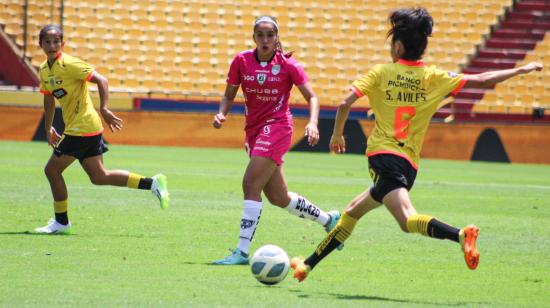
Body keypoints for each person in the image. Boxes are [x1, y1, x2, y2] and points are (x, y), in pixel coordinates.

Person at [291, 7, 544, 281]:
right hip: (408, 164)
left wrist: (337, 135)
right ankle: (306, 265)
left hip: (383, 157)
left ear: (397, 46)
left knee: (408, 221)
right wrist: (522, 69)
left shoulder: (381, 72)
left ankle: (460, 235)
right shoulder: (433, 77)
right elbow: (482, 80)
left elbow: (344, 104)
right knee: (352, 212)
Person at [211, 16, 341, 265]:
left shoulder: (289, 64)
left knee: (250, 184)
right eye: (260, 34)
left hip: (278, 127)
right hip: (254, 131)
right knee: (279, 197)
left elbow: (312, 96)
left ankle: (241, 251)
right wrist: (221, 113)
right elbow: (229, 94)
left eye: (270, 34)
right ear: (254, 38)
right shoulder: (241, 61)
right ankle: (328, 220)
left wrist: (312, 123)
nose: (265, 39)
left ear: (277, 37)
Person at [35, 25, 170, 234]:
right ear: (40, 44)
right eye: (47, 41)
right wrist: (48, 127)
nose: (52, 45)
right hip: (85, 128)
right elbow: (48, 99)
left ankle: (61, 222)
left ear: (63, 43)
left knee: (51, 170)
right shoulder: (44, 69)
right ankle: (152, 183)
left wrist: (104, 108)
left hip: (82, 127)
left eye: (56, 41)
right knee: (99, 176)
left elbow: (101, 80)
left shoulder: (70, 64)